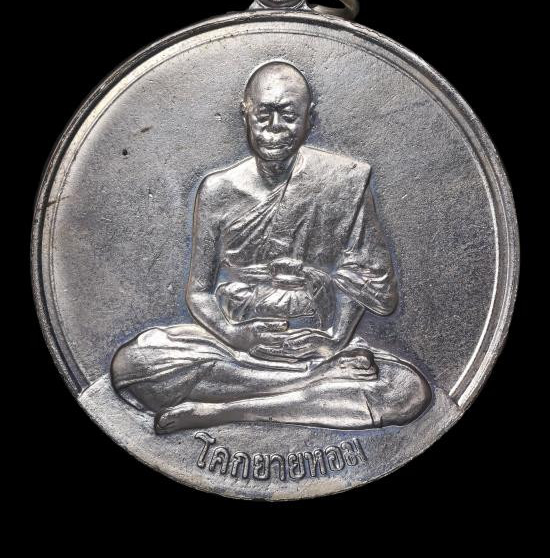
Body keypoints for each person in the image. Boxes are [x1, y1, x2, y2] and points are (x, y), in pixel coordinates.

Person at [111, 61, 431, 433]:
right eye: (264, 115)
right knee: (134, 366)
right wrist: (238, 337)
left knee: (407, 392)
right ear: (244, 113)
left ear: (310, 119)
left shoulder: (343, 182)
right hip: (238, 345)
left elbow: (372, 284)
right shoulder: (218, 190)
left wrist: (332, 341)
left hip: (316, 340)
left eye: (288, 116)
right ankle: (309, 385)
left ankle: (223, 411)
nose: (274, 128)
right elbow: (198, 292)